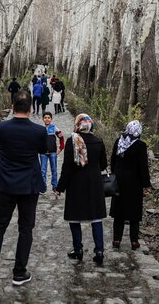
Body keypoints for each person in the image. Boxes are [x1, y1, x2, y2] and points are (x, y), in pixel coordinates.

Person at [0, 90, 47, 286]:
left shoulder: (1, 127)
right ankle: (19, 273)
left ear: (12, 107)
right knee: (26, 229)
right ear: (30, 109)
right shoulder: (39, 131)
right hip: (29, 186)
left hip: (5, 184)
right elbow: (43, 150)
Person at [54, 114, 107, 266]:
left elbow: (67, 168)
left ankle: (78, 250)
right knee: (96, 218)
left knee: (74, 217)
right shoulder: (98, 141)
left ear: (78, 125)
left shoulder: (72, 141)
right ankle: (99, 251)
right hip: (95, 184)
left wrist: (60, 187)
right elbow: (103, 164)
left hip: (76, 184)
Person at [109, 120, 151, 250]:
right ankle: (134, 241)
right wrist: (146, 185)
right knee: (134, 212)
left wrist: (114, 174)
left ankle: (117, 239)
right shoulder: (140, 145)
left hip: (119, 181)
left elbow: (113, 161)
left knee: (118, 212)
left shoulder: (119, 141)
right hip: (134, 183)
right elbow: (143, 167)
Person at [40, 112, 65, 191]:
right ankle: (43, 186)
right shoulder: (41, 129)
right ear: (43, 119)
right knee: (43, 170)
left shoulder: (55, 128)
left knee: (54, 170)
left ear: (51, 119)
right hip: (43, 153)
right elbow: (36, 140)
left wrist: (61, 148)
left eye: (48, 118)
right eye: (45, 118)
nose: (47, 119)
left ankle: (55, 185)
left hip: (53, 152)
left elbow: (61, 138)